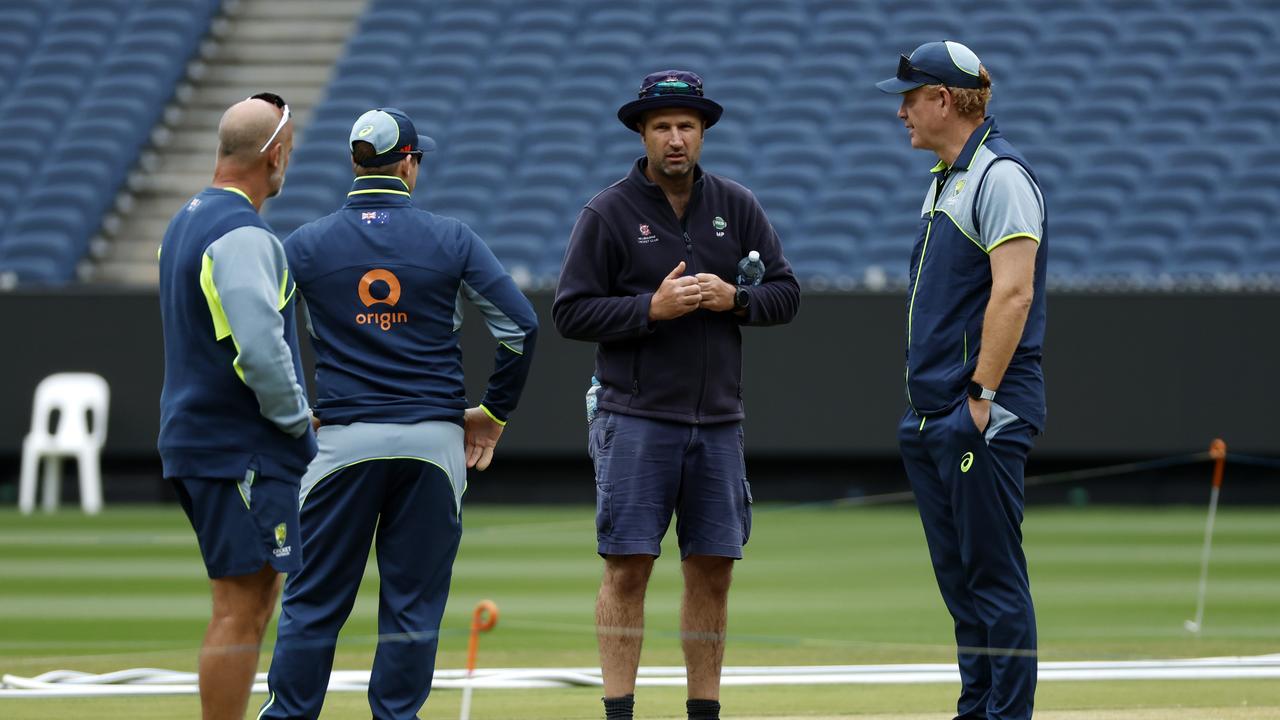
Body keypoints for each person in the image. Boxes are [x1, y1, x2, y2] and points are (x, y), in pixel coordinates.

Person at [258, 107, 538, 720]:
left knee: (314, 601)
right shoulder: (453, 238)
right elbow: (520, 327)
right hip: (433, 445)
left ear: (355, 162)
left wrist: (296, 411)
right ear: (409, 163)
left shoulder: (301, 244)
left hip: (339, 442)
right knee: (413, 605)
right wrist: (492, 412)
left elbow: (267, 340)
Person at [554, 70, 800, 720]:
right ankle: (619, 713)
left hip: (718, 421)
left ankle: (703, 712)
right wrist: (649, 309)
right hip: (634, 418)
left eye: (686, 125)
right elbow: (570, 313)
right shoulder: (607, 212)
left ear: (702, 132)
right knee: (627, 569)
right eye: (661, 125)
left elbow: (787, 294)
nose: (674, 138)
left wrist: (737, 298)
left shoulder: (737, 204)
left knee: (713, 570)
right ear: (642, 132)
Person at [877, 41, 1048, 720]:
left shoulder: (1001, 176)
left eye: (909, 98)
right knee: (962, 584)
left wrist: (978, 399)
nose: (902, 114)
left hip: (977, 411)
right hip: (934, 414)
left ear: (944, 99)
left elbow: (1014, 295)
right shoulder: (950, 177)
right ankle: (977, 709)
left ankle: (1005, 716)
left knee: (994, 580)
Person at [157, 91, 315, 720]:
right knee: (242, 607)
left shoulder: (184, 220)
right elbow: (260, 351)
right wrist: (299, 421)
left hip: (200, 439)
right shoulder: (243, 234)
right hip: (239, 448)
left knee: (245, 601)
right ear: (275, 155)